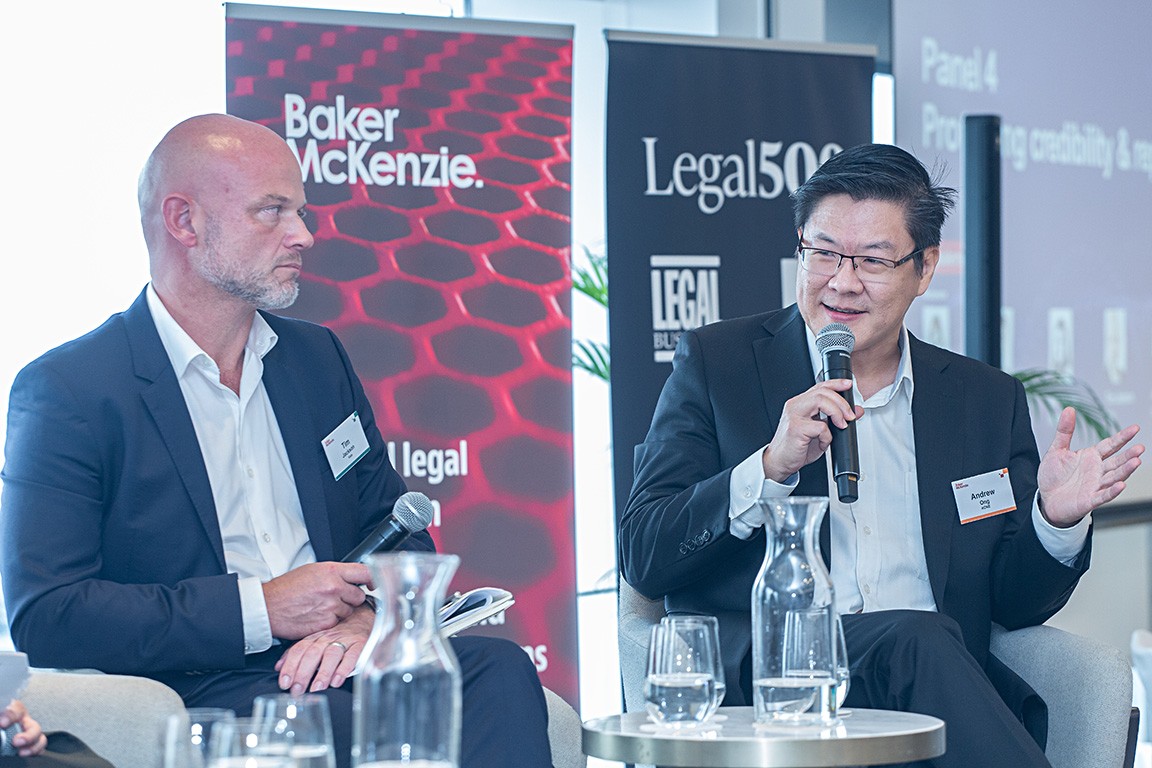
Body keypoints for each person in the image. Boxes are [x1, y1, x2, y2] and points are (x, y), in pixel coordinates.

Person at [0, 114, 552, 768]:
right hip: (202, 682)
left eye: (301, 212)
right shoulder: (72, 388)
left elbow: (398, 532)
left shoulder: (317, 360)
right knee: (340, 721)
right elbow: (50, 613)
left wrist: (367, 621)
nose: (304, 235)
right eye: (273, 211)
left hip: (339, 662)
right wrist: (262, 609)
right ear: (184, 221)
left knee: (498, 670)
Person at [619, 143, 1144, 767]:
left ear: (925, 269)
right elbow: (645, 555)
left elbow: (1014, 604)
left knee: (922, 642)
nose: (842, 282)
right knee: (913, 638)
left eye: (872, 260)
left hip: (931, 706)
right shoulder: (719, 365)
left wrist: (1053, 521)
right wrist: (768, 468)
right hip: (774, 692)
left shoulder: (982, 399)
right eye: (823, 253)